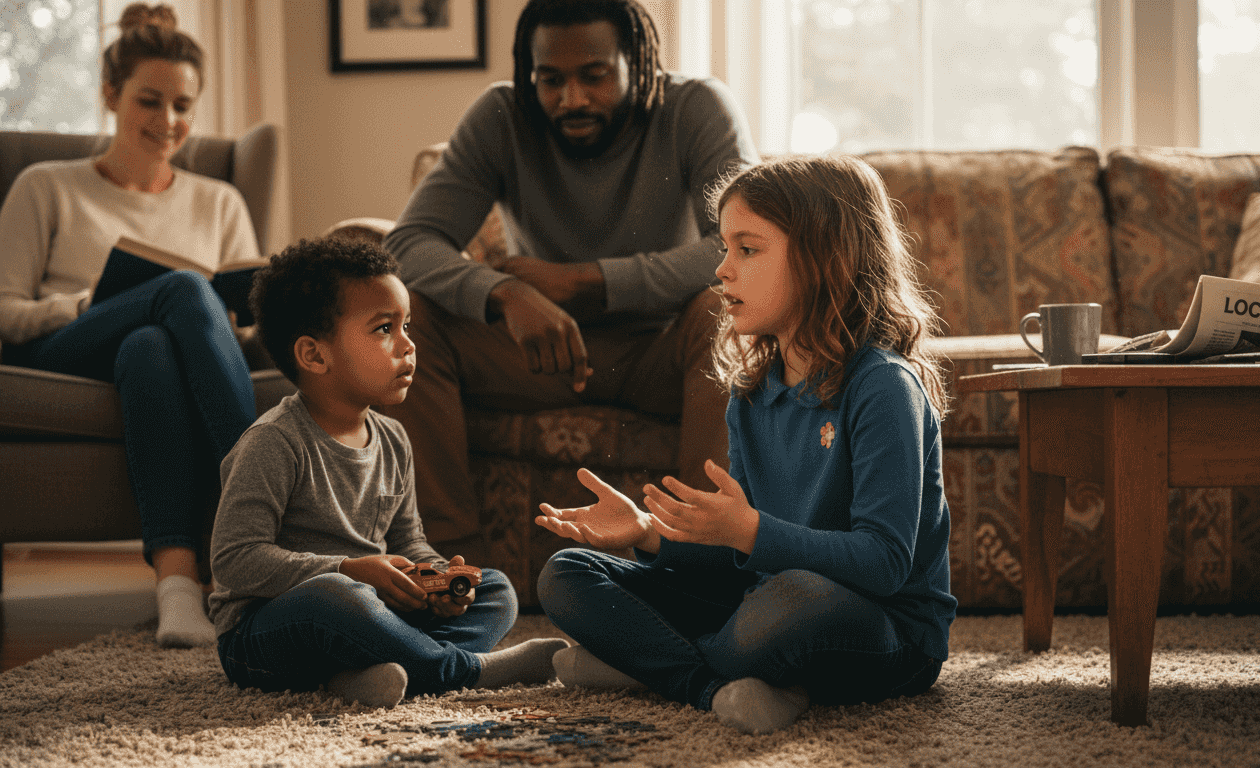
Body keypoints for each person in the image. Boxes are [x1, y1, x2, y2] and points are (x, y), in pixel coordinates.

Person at [533, 155, 958, 734]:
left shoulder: (883, 386)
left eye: (748, 249)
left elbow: (883, 565)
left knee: (792, 601)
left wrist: (751, 533)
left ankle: (651, 664)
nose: (722, 271)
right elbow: (742, 563)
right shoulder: (752, 396)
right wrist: (647, 533)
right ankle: (712, 685)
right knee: (567, 573)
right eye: (724, 249)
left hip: (882, 632)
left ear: (824, 259)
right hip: (766, 606)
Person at [380, 0, 759, 559]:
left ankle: (701, 560)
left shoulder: (696, 106)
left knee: (720, 312)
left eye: (594, 75)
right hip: (539, 353)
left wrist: (586, 281)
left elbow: (743, 244)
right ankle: (442, 566)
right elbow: (407, 243)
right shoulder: (502, 116)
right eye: (550, 79)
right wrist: (502, 293)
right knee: (413, 316)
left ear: (639, 63)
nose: (571, 98)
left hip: (661, 350)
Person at [208, 238, 568, 708]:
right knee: (337, 597)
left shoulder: (394, 438)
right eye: (384, 329)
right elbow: (235, 559)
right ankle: (462, 671)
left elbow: (408, 541)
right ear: (315, 356)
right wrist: (348, 569)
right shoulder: (273, 442)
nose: (409, 345)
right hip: (266, 632)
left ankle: (360, 675)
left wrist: (438, 577)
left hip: (372, 610)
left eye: (407, 325)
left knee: (495, 590)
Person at [0, 3, 260, 648]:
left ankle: (178, 594)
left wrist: (237, 323)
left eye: (183, 106)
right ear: (111, 94)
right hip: (62, 349)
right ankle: (267, 503)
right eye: (149, 100)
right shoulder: (45, 185)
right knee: (178, 287)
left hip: (155, 357)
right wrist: (90, 305)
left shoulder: (220, 201)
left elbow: (245, 329)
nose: (168, 121)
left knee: (150, 345)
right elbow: (4, 312)